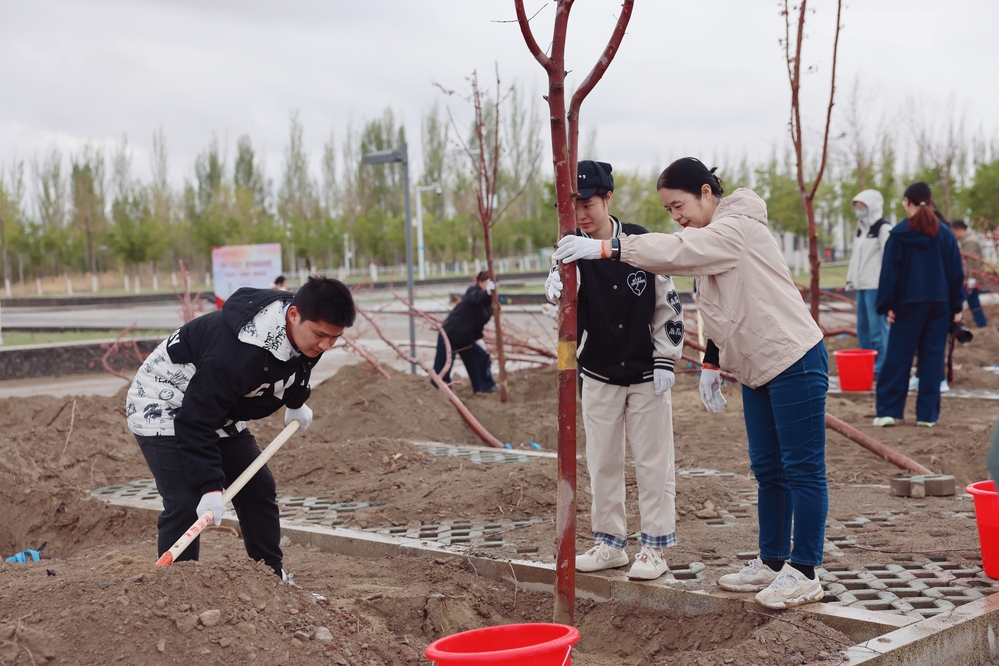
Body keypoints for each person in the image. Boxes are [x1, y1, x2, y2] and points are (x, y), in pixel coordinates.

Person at [554, 157, 828, 609]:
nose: (676, 217)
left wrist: (608, 249)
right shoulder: (710, 238)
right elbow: (718, 304)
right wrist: (713, 362)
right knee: (768, 470)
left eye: (679, 205)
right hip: (757, 368)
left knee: (802, 469)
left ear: (706, 192)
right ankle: (773, 560)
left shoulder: (736, 226)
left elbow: (680, 253)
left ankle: (804, 571)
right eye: (668, 211)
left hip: (793, 359)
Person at [126, 276, 356, 578]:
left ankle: (270, 576)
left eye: (334, 338)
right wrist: (210, 485)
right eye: (320, 335)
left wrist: (297, 401)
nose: (326, 344)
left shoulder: (307, 326)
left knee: (257, 486)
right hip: (163, 403)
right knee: (186, 501)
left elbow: (298, 365)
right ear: (294, 314)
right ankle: (177, 587)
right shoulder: (236, 354)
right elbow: (194, 421)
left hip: (215, 406)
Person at [545, 160, 683, 580]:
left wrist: (666, 357)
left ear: (607, 198)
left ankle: (655, 548)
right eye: (572, 206)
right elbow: (563, 310)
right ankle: (609, 542)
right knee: (602, 461)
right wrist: (554, 282)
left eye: (588, 203)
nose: (582, 214)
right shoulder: (570, 250)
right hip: (599, 372)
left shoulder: (642, 242)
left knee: (653, 462)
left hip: (646, 373)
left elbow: (668, 304)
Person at [874, 182, 964, 428]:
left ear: (907, 202)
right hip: (939, 306)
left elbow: (890, 273)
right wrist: (956, 306)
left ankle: (888, 412)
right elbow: (956, 273)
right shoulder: (946, 235)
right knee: (932, 358)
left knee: (898, 357)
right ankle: (927, 416)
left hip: (908, 305)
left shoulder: (899, 234)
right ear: (930, 200)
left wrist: (887, 304)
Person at [846, 189, 891, 378]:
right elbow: (856, 257)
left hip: (875, 286)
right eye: (856, 206)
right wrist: (850, 279)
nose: (858, 210)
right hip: (861, 286)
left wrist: (888, 286)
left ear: (871, 206)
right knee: (863, 328)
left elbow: (889, 259)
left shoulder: (883, 228)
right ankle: (868, 365)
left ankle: (882, 367)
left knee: (877, 328)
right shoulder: (860, 229)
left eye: (861, 206)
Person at [432, 271, 498, 393]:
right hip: (450, 334)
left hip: (465, 339)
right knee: (443, 365)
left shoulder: (487, 305)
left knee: (480, 356)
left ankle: (484, 386)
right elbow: (475, 298)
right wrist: (487, 292)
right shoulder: (473, 292)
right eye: (486, 283)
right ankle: (437, 388)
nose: (488, 286)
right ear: (480, 282)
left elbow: (478, 324)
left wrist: (479, 339)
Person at [952, 220, 989, 328]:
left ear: (959, 229)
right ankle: (982, 326)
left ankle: (958, 328)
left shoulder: (969, 241)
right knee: (974, 303)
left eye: (953, 231)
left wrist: (969, 279)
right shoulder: (968, 239)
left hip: (970, 280)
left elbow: (970, 262)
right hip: (973, 279)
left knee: (956, 303)